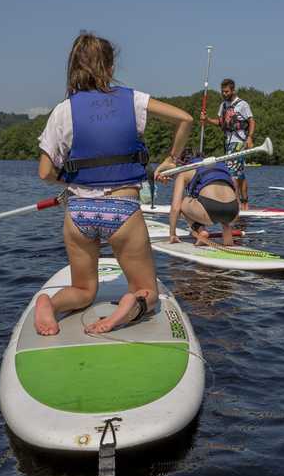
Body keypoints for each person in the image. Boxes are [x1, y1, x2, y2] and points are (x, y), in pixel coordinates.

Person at [34, 32, 193, 336]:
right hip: (122, 210)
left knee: (83, 290)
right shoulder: (133, 100)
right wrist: (171, 159)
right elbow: (185, 119)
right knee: (148, 291)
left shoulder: (63, 110)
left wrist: (70, 182)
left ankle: (50, 304)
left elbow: (44, 172)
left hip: (79, 212)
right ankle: (132, 301)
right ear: (109, 67)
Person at [166, 148, 240, 246]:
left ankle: (201, 231)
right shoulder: (221, 166)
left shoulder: (185, 170)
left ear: (182, 163)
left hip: (210, 209)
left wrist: (172, 234)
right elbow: (235, 189)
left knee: (181, 202)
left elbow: (175, 208)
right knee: (223, 202)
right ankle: (227, 234)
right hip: (233, 211)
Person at [204, 78, 254, 210]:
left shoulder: (242, 104)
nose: (224, 94)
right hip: (228, 142)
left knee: (231, 174)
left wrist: (250, 137)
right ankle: (245, 204)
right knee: (240, 175)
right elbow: (220, 123)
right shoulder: (223, 105)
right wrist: (207, 120)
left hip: (239, 142)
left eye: (226, 91)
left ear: (233, 90)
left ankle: (235, 204)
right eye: (222, 91)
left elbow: (251, 121)